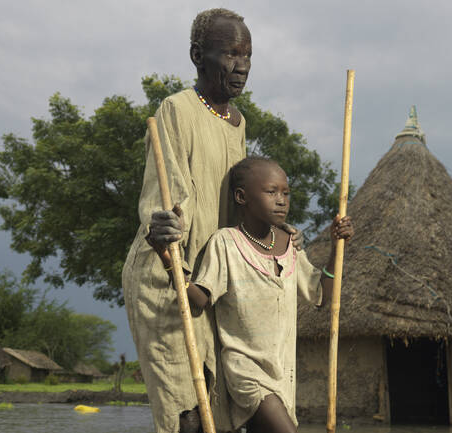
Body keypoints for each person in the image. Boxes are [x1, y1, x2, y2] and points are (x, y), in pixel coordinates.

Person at [122, 8, 300, 433]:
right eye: (231, 55)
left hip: (213, 281)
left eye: (248, 56)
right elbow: (165, 196)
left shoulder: (238, 123)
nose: (241, 67)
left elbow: (240, 200)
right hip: (167, 279)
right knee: (186, 413)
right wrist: (166, 236)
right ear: (198, 55)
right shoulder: (176, 109)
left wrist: (270, 233)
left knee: (218, 411)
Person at [150, 156, 354, 433]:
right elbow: (199, 299)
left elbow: (321, 293)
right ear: (242, 196)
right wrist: (167, 257)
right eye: (271, 192)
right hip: (246, 370)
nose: (281, 200)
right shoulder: (226, 243)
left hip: (284, 372)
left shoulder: (289, 244)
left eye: (285, 193)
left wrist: (335, 248)